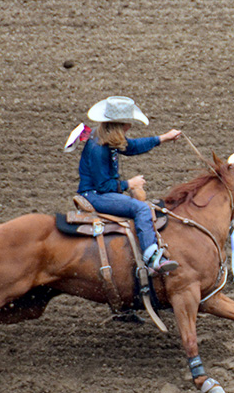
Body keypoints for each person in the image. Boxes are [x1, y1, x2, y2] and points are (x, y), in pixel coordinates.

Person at [77, 95, 182, 274]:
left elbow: (132, 146)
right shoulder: (98, 149)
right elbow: (103, 186)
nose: (130, 126)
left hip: (98, 192)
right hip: (94, 195)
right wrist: (129, 183)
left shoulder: (104, 137)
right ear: (120, 125)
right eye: (128, 123)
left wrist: (163, 138)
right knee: (141, 209)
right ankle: (152, 257)